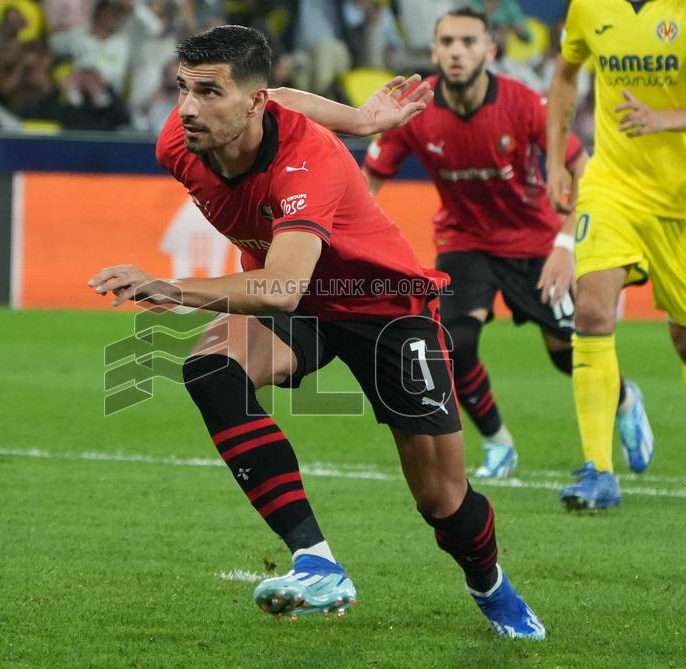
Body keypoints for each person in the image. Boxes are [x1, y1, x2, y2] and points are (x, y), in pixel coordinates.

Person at [88, 25, 545, 639]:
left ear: (250, 105)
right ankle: (316, 561)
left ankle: (489, 584)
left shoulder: (311, 161)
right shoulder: (181, 141)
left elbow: (280, 286)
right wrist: (361, 117)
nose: (189, 108)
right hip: (301, 302)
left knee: (444, 501)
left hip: (381, 304)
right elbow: (279, 94)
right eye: (182, 89)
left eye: (208, 92)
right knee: (211, 370)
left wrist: (171, 289)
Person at [279, 8, 652, 479]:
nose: (457, 52)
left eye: (469, 42)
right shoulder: (417, 109)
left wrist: (564, 244)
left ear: (490, 51)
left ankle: (625, 400)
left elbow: (580, 169)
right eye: (448, 42)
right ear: (434, 51)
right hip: (463, 241)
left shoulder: (523, 104)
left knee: (568, 353)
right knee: (453, 344)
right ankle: (499, 443)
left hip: (533, 243)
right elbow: (367, 178)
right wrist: (339, 240)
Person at [546, 0, 686, 511]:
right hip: (612, 188)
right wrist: (555, 157)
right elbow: (565, 75)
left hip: (684, 202)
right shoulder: (589, 8)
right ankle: (598, 472)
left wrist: (662, 118)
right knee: (590, 310)